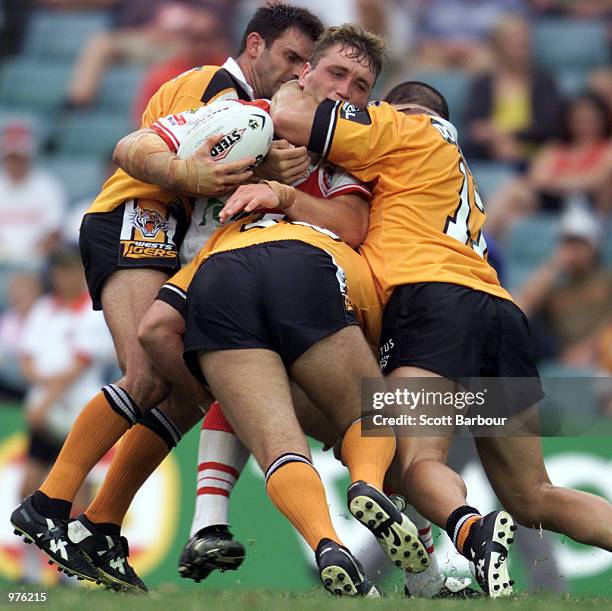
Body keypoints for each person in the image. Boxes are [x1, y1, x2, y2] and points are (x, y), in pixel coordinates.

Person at [250, 77, 612, 595]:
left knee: (417, 461)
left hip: (432, 304)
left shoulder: (400, 126)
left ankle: (475, 531)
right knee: (533, 495)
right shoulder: (455, 166)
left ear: (401, 110)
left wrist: (295, 83)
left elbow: (287, 118)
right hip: (498, 313)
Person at [10, 3, 323, 592]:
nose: (299, 72)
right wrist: (190, 174)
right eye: (291, 57)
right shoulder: (211, 85)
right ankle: (50, 503)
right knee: (150, 375)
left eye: (308, 63)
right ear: (254, 46)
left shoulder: (263, 118)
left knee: (188, 389)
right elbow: (140, 149)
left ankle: (99, 524)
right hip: (135, 216)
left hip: (168, 241)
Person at [17, 247, 115, 583]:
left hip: (76, 410)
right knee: (29, 485)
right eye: (59, 271)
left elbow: (82, 362)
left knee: (76, 488)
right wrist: (40, 386)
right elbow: (27, 355)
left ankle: (72, 570)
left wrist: (47, 396)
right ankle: (31, 568)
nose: (63, 277)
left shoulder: (91, 310)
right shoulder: (45, 308)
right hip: (47, 409)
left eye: (70, 270)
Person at [486, 92, 612, 238]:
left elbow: (597, 179)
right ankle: (483, 243)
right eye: (579, 119)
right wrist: (567, 182)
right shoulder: (557, 147)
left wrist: (558, 181)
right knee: (513, 197)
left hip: (588, 203)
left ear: (602, 119)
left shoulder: (606, 148)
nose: (583, 123)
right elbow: (535, 178)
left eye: (589, 119)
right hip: (552, 201)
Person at [516, 204, 611, 368]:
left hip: (602, 351)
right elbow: (518, 310)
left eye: (580, 243)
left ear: (593, 247)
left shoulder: (606, 278)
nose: (574, 250)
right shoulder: (554, 288)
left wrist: (590, 348)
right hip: (561, 355)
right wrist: (555, 264)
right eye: (568, 243)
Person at [462, 15, 563, 164]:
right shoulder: (483, 82)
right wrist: (497, 140)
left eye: (524, 44)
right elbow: (474, 124)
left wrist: (505, 134)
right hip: (490, 148)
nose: (520, 50)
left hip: (535, 149)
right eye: (513, 44)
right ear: (498, 48)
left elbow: (548, 125)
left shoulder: (544, 81)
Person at [0, 122, 67, 266]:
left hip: (37, 262)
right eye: (12, 157)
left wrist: (34, 255)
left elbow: (54, 230)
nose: (16, 163)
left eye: (21, 157)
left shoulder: (48, 186)